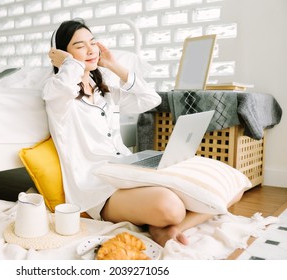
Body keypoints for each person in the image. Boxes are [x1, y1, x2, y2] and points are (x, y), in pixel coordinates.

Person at [42, 19, 243, 247]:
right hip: (98, 187)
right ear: (61, 54)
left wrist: (114, 65)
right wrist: (70, 64)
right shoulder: (57, 93)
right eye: (79, 46)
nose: (90, 50)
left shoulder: (105, 93)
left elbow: (151, 99)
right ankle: (167, 219)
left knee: (233, 184)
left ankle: (170, 228)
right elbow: (65, 84)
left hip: (128, 168)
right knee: (172, 207)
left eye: (93, 42)